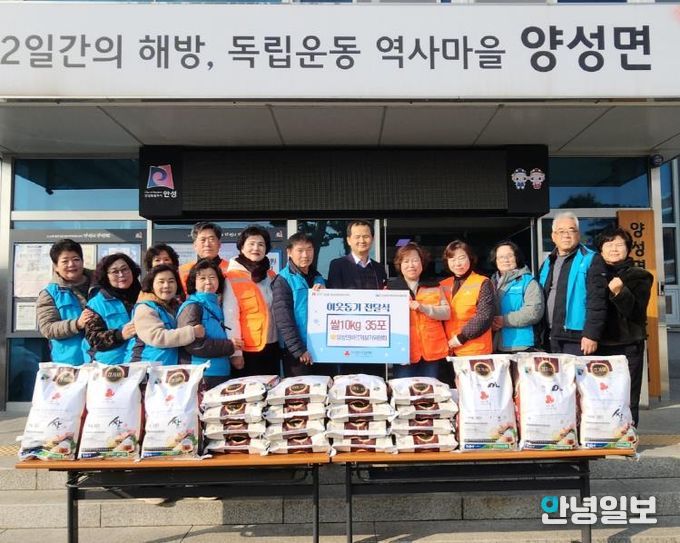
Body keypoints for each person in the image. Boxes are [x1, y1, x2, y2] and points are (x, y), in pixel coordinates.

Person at [595, 227, 653, 427]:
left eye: (619, 245)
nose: (614, 249)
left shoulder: (640, 275)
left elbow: (636, 312)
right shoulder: (594, 274)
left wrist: (619, 292)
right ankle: (601, 433)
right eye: (609, 244)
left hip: (628, 345)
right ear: (600, 249)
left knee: (628, 395)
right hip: (598, 344)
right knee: (599, 394)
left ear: (628, 249)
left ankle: (628, 434)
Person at [538, 211, 608, 356]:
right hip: (549, 335)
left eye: (571, 230)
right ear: (553, 236)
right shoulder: (548, 262)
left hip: (577, 338)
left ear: (578, 234)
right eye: (561, 231)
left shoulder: (591, 259)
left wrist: (591, 334)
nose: (566, 235)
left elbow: (598, 300)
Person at [327, 220, 387, 376]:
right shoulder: (337, 265)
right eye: (357, 236)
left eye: (366, 236)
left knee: (375, 382)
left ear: (372, 239)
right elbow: (333, 301)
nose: (362, 240)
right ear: (348, 240)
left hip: (375, 339)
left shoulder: (379, 268)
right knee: (348, 383)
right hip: (348, 338)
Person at [178, 259, 244, 388]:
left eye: (212, 277)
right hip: (201, 374)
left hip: (221, 371)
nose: (208, 282)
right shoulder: (192, 306)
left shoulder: (216, 305)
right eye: (202, 278)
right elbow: (194, 345)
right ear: (193, 282)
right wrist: (229, 346)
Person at [224, 226, 280, 377]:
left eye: (261, 244)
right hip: (248, 350)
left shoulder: (271, 275)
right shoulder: (232, 276)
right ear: (242, 247)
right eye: (251, 243)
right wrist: (235, 353)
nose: (256, 248)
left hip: (272, 345)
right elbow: (230, 317)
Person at [387, 242, 449, 379]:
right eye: (406, 261)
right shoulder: (390, 289)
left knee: (430, 389)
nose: (411, 265)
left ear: (422, 263)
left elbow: (446, 312)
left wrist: (423, 308)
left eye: (415, 260)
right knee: (404, 389)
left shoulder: (434, 286)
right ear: (399, 265)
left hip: (431, 351)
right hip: (403, 352)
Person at [272, 233, 327, 377]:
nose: (305, 255)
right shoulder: (282, 280)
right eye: (300, 250)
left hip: (321, 348)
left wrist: (326, 294)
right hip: (298, 353)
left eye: (309, 249)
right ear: (289, 252)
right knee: (300, 390)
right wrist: (299, 350)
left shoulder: (318, 278)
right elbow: (284, 320)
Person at [125, 264, 204, 365]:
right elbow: (157, 337)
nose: (166, 285)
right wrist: (192, 332)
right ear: (152, 285)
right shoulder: (145, 308)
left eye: (171, 281)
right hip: (144, 367)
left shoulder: (176, 307)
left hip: (165, 368)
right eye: (161, 282)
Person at [36, 239, 95, 365]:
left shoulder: (101, 285)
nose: (71, 264)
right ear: (56, 266)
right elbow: (48, 329)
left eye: (76, 259)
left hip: (103, 360)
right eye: (65, 261)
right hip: (70, 363)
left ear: (82, 261)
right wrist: (77, 324)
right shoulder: (49, 294)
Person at [440, 240, 495, 358]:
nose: (457, 263)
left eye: (461, 258)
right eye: (452, 259)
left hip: (475, 349)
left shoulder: (483, 282)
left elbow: (484, 316)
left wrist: (461, 338)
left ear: (470, 258)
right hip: (448, 350)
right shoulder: (442, 285)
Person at [85, 253, 141, 364]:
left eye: (125, 269)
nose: (121, 275)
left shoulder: (145, 297)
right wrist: (119, 335)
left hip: (140, 361)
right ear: (106, 276)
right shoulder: (96, 303)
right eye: (115, 271)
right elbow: (94, 339)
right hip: (109, 366)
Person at [490, 241, 545, 353]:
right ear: (495, 260)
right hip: (495, 344)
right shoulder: (490, 282)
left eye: (509, 256)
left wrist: (504, 320)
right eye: (501, 257)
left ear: (517, 257)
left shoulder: (528, 282)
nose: (505, 260)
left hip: (521, 346)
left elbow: (534, 312)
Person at [178, 222, 229, 290]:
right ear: (195, 245)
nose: (207, 244)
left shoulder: (232, 268)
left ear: (219, 244)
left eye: (211, 239)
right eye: (203, 240)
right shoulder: (182, 271)